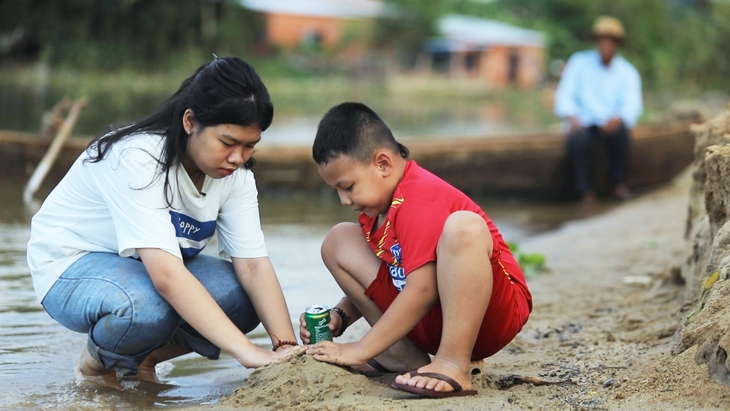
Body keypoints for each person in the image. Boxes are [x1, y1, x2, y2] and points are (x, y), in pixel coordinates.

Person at [26, 56, 305, 388]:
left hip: (143, 270)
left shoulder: (237, 176)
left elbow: (254, 267)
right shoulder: (138, 158)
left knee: (245, 298)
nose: (238, 158)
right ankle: (95, 367)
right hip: (71, 266)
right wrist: (246, 352)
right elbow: (167, 278)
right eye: (228, 143)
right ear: (191, 121)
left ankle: (142, 359)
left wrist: (287, 350)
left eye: (249, 146)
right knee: (147, 304)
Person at [301, 102, 533, 398]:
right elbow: (392, 274)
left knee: (464, 228)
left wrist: (360, 349)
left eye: (348, 187)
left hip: (488, 314)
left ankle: (453, 363)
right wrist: (341, 314)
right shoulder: (377, 209)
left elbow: (421, 290)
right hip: (432, 316)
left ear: (383, 164)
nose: (344, 200)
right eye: (336, 190)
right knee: (339, 241)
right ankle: (400, 355)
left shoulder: (418, 198)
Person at [554, 16, 643, 204]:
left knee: (621, 135)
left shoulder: (628, 72)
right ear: (595, 41)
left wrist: (618, 119)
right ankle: (586, 191)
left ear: (617, 43)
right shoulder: (579, 63)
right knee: (579, 140)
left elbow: (631, 106)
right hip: (583, 122)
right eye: (601, 39)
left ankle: (617, 184)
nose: (605, 44)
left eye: (610, 40)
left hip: (610, 124)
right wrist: (572, 117)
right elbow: (565, 95)